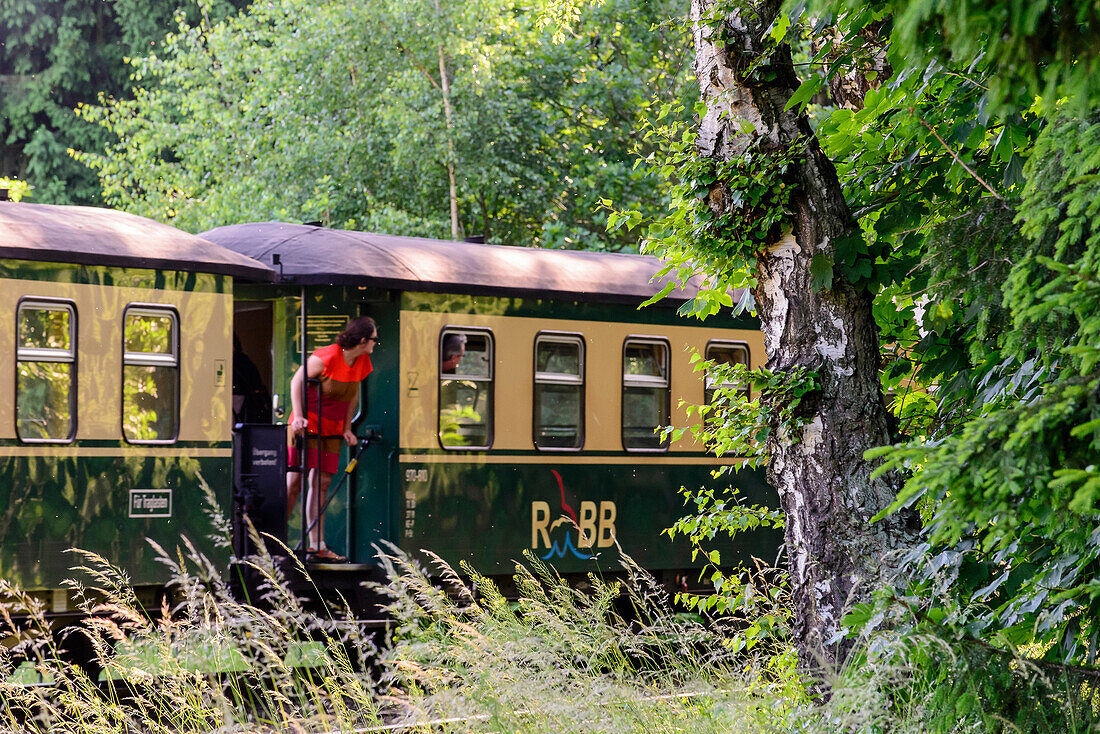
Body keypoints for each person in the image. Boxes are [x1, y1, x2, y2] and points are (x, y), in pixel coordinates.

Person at [286, 316, 377, 562]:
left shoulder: (362, 360)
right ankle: (272, 539)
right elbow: (297, 380)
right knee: (295, 481)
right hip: (307, 425)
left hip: (332, 429)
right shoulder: (327, 355)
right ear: (362, 340)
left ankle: (317, 545)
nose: (374, 344)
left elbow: (352, 396)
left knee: (322, 483)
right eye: (374, 340)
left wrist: (347, 428)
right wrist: (299, 417)